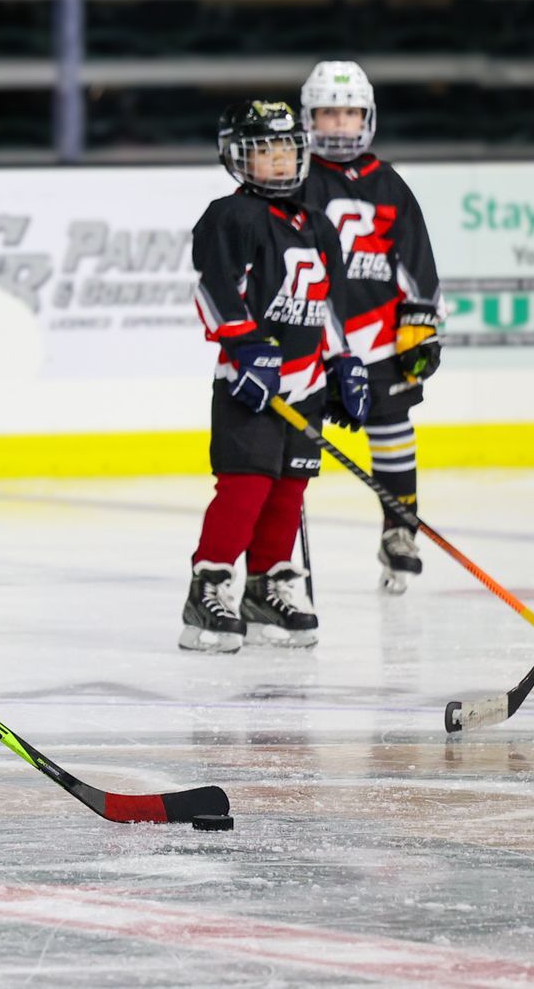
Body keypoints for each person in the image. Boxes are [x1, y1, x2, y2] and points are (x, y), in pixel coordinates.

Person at [184, 100, 371, 653]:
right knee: (246, 486)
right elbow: (213, 290)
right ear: (239, 158)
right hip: (249, 383)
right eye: (265, 151)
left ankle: (268, 587)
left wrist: (342, 362)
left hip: (305, 384)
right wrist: (244, 346)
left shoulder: (316, 222)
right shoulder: (231, 216)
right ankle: (209, 586)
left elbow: (327, 304)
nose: (280, 161)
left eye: (287, 148)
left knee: (290, 489)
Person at [298, 60, 443, 594]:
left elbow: (417, 262)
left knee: (393, 429)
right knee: (290, 448)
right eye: (328, 113)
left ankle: (399, 532)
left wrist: (421, 323)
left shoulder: (389, 184)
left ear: (369, 116)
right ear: (309, 117)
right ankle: (277, 563)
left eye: (349, 113)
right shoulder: (296, 178)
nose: (339, 125)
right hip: (312, 335)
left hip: (379, 334)